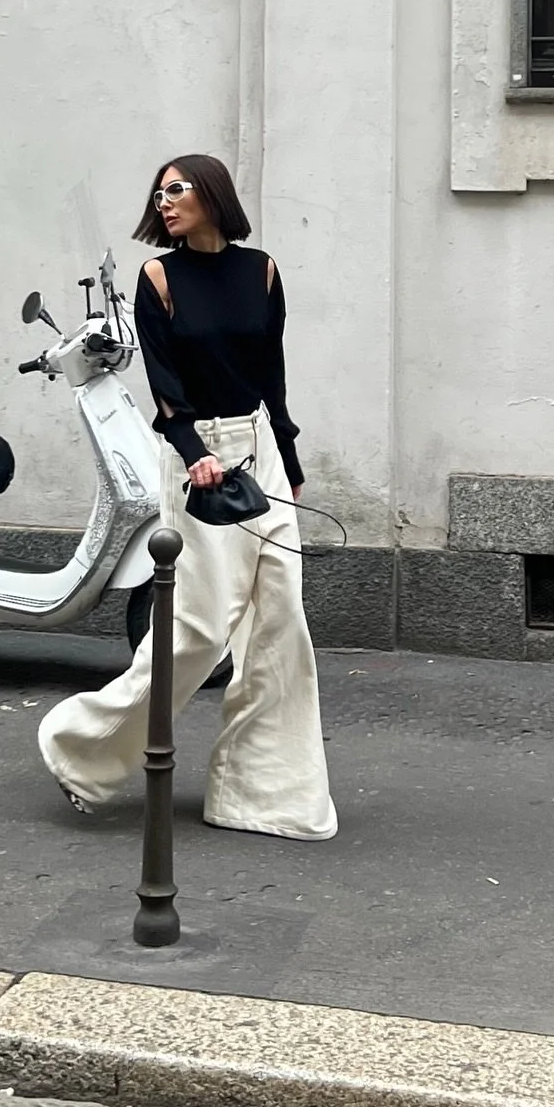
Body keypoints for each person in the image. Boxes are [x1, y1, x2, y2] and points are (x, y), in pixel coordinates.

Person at [37, 154, 337, 841]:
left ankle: (264, 794)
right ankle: (79, 747)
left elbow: (272, 374)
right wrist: (196, 455)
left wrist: (287, 460)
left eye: (178, 189)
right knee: (201, 628)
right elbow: (165, 389)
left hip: (258, 446)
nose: (165, 201)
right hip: (199, 458)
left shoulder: (259, 270)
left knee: (281, 618)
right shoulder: (158, 278)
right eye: (159, 192)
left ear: (212, 194)